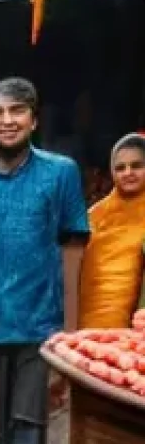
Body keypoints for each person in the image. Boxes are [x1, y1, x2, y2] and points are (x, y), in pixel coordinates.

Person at [0, 77, 90, 444]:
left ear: (33, 120)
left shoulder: (60, 173)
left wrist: (71, 334)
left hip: (37, 327)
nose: (6, 120)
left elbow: (73, 248)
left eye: (17, 111)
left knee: (29, 438)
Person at [79, 134, 145, 330]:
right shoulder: (94, 216)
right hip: (87, 329)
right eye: (120, 168)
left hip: (135, 334)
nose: (128, 173)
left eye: (136, 166)